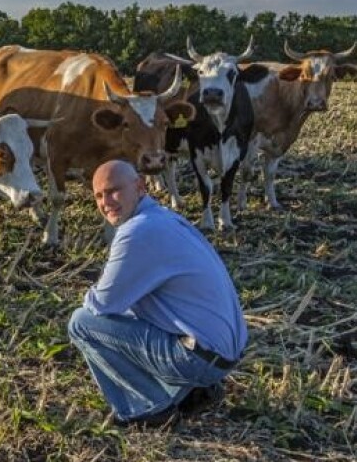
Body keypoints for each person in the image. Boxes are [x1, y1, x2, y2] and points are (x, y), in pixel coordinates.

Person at [68, 160, 248, 427]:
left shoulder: (137, 231)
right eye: (98, 195)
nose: (106, 202)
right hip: (221, 355)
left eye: (113, 190)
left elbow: (101, 305)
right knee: (129, 313)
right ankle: (191, 392)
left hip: (199, 359)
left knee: (81, 323)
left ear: (140, 186)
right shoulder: (165, 218)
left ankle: (148, 407)